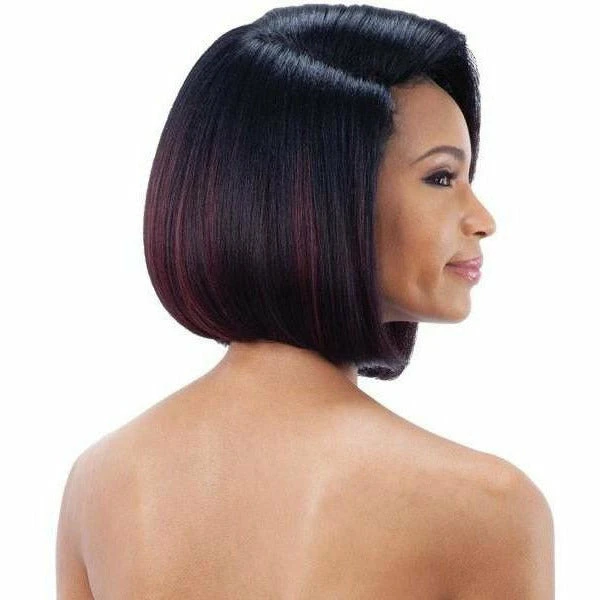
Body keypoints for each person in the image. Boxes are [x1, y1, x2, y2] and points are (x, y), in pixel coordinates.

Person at [56, 5, 554, 598]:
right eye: (442, 177)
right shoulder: (485, 507)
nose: (482, 219)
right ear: (323, 193)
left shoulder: (101, 483)